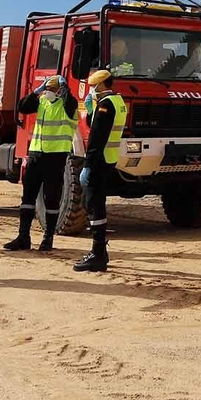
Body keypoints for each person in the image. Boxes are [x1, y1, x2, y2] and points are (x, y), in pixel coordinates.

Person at [2, 74, 78, 252]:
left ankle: (48, 238)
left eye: (52, 89)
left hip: (55, 157)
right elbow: (23, 107)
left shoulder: (68, 106)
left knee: (51, 198)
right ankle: (23, 237)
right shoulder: (42, 101)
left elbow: (70, 102)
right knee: (27, 198)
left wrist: (65, 88)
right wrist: (36, 92)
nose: (48, 92)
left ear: (60, 90)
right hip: (36, 155)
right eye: (47, 89)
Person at [74, 68, 127, 273]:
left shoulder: (105, 105)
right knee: (96, 203)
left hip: (99, 160)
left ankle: (97, 254)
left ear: (102, 85)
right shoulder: (117, 102)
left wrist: (87, 165)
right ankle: (99, 252)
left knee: (94, 205)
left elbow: (97, 138)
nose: (92, 91)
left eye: (94, 86)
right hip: (109, 159)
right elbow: (97, 125)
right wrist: (90, 111)